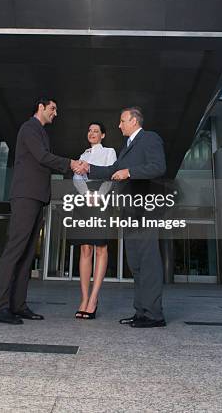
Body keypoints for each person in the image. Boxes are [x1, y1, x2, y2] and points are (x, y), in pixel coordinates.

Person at [0, 97, 87, 325]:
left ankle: (18, 305)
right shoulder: (29, 128)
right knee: (15, 250)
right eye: (53, 108)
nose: (56, 113)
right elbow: (42, 157)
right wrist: (72, 163)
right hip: (25, 195)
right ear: (40, 107)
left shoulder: (41, 132)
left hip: (37, 197)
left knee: (27, 254)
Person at [82, 107, 167, 328]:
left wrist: (130, 173)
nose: (119, 126)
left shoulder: (150, 138)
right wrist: (88, 168)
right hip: (129, 212)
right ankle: (142, 312)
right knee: (136, 264)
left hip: (145, 210)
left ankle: (155, 315)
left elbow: (158, 167)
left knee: (148, 263)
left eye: (122, 121)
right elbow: (112, 169)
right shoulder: (127, 148)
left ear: (134, 120)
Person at [71, 122, 116, 320]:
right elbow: (76, 178)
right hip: (83, 202)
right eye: (89, 130)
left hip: (102, 202)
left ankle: (94, 299)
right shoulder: (83, 155)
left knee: (101, 249)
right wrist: (86, 194)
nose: (92, 133)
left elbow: (111, 176)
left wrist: (98, 196)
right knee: (85, 249)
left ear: (103, 135)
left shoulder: (109, 152)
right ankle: (83, 298)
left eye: (96, 131)